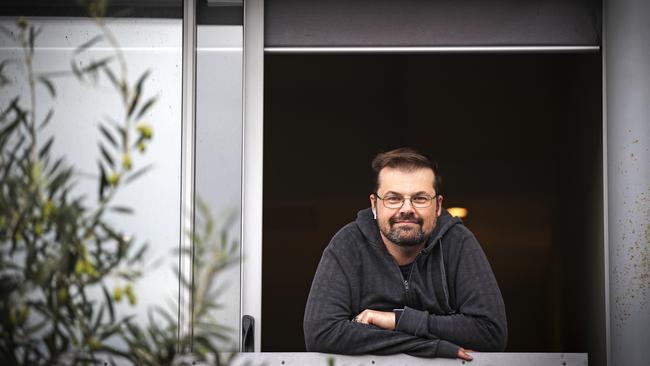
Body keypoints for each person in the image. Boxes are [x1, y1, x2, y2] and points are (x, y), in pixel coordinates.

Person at [303, 148, 507, 360]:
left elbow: (491, 332)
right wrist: (433, 347)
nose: (407, 208)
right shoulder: (348, 244)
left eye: (420, 198)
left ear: (438, 206)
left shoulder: (458, 242)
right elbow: (321, 333)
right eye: (393, 198)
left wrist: (398, 320)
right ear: (374, 205)